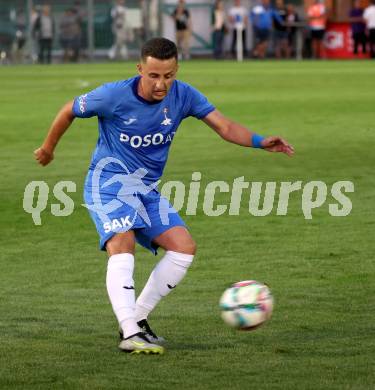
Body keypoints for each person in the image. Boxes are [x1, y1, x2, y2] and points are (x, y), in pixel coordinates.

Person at [34, 37, 294, 355]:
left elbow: (224, 126)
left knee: (184, 248)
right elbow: (68, 110)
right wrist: (48, 149)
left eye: (168, 75)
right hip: (109, 184)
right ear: (140, 68)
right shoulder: (113, 95)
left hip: (146, 188)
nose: (161, 84)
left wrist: (259, 141)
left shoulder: (183, 94)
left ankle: (138, 320)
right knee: (122, 243)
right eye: (154, 76)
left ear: (176, 70)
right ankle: (129, 332)